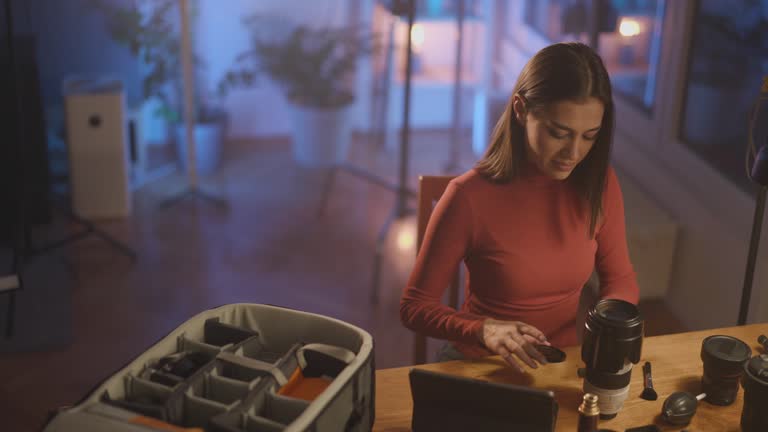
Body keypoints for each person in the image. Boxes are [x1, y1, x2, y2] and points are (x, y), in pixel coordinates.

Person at [399, 42, 639, 373]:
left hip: (562, 364)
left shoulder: (600, 183)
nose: (574, 152)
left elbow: (621, 279)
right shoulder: (468, 197)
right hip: (482, 363)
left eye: (589, 136)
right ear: (520, 109)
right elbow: (415, 307)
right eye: (559, 133)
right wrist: (483, 329)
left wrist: (609, 330)